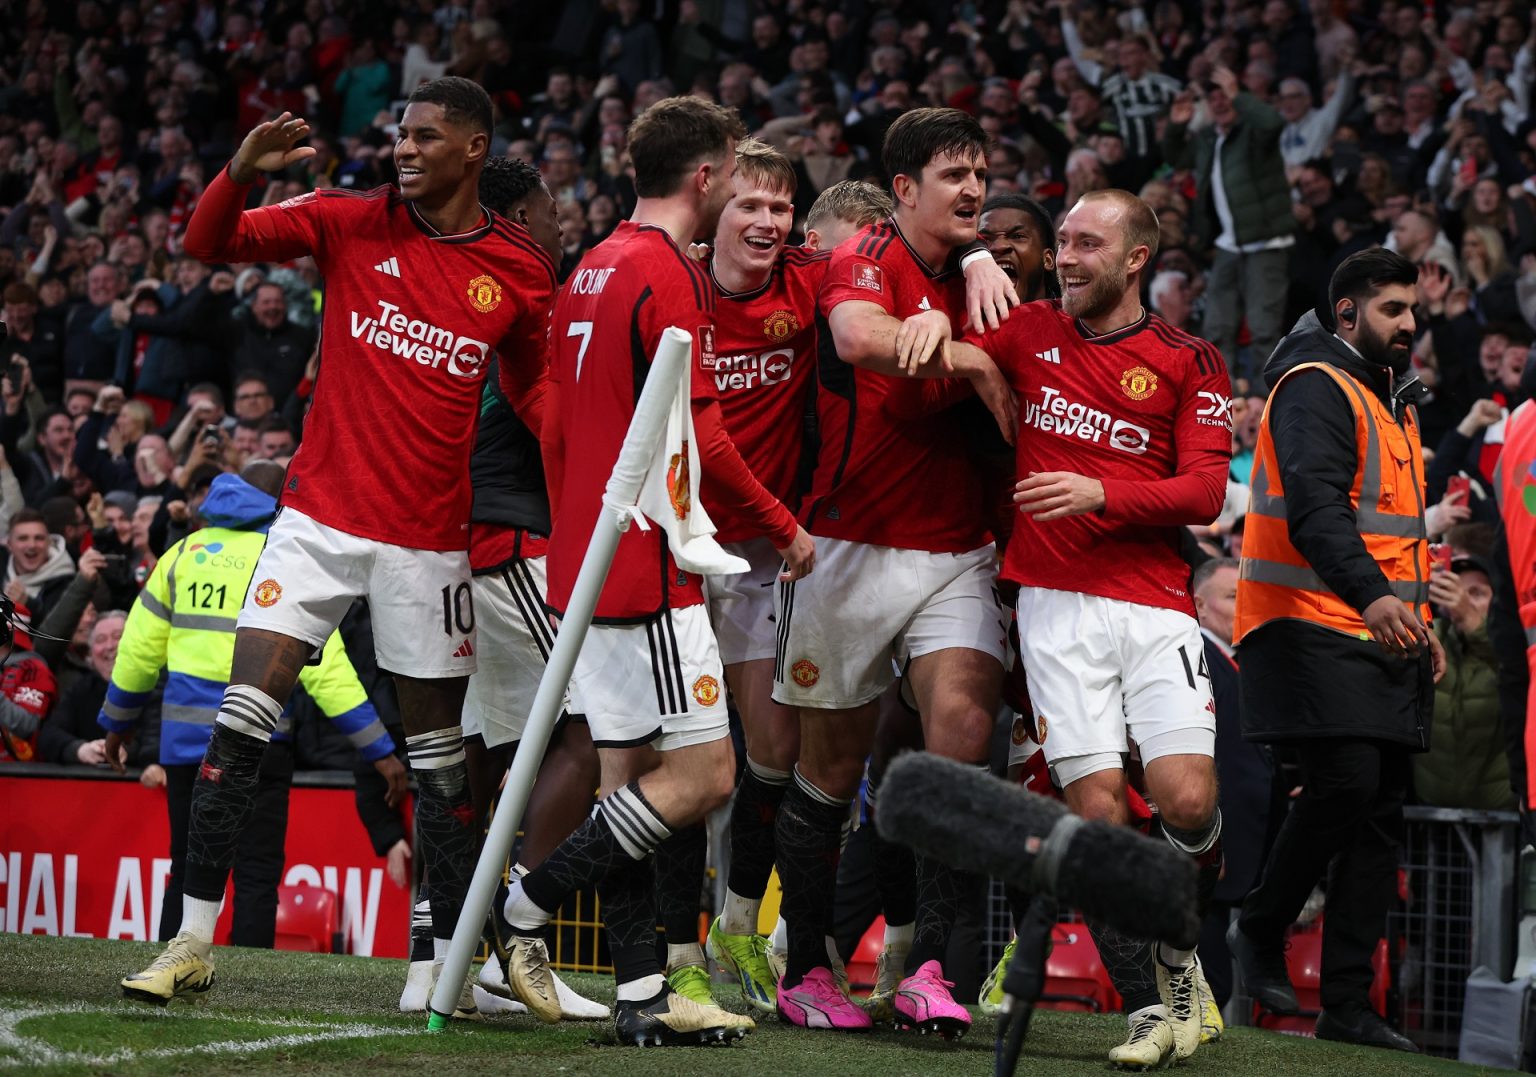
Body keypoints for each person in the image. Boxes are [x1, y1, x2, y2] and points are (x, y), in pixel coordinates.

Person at [119, 77, 558, 1010]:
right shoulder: (349, 220)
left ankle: (434, 969)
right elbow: (207, 243)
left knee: (441, 768)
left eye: (426, 136)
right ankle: (189, 942)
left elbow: (535, 388)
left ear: (474, 149)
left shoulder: (519, 269)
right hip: (316, 523)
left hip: (429, 545)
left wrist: (591, 464)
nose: (405, 148)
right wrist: (240, 172)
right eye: (401, 133)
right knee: (241, 721)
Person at [499, 95, 810, 1048]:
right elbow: (703, 435)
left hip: (586, 559)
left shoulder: (590, 265)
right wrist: (783, 526)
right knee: (707, 774)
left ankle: (641, 991)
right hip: (647, 565)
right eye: (735, 176)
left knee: (626, 780)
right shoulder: (670, 276)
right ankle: (525, 905)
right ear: (706, 176)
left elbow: (551, 415)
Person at [970, 189, 1232, 1067]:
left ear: (1135, 259)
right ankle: (1153, 1006)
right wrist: (967, 279)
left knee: (1189, 801)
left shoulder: (1189, 358)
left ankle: (1179, 952)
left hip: (1155, 603)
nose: (1067, 257)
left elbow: (1205, 491)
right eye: (1063, 242)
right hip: (1053, 607)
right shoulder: (1029, 330)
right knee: (1097, 814)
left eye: (1088, 243)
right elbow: (941, 347)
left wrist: (1100, 493)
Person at [770, 107, 1017, 1037]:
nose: (974, 188)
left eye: (981, 173)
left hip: (957, 549)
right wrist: (965, 357)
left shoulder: (985, 271)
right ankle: (806, 965)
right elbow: (859, 338)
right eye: (955, 174)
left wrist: (976, 285)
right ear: (905, 189)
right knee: (829, 771)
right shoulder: (863, 254)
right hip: (848, 543)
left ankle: (931, 968)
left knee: (963, 735)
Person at [397, 154, 607, 1024]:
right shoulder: (532, 300)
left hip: (451, 543)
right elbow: (557, 424)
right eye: (553, 211)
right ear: (520, 219)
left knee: (471, 764)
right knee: (596, 726)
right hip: (510, 540)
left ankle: (431, 958)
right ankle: (516, 930)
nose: (564, 225)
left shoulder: (453, 292)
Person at [1229, 248, 1442, 1054]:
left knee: (1378, 814)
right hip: (1309, 621)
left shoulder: (1393, 399)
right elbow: (1316, 509)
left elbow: (1398, 536)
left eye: (1412, 309)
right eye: (1392, 308)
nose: (1409, 323)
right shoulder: (1317, 385)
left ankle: (1347, 1002)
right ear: (1347, 313)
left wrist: (1419, 621)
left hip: (1378, 629)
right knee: (1348, 781)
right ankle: (1260, 924)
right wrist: (1379, 599)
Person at [103, 463, 402, 955]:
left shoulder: (182, 554)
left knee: (186, 863)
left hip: (187, 746)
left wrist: (117, 725)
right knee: (257, 873)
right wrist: (379, 750)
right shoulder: (283, 560)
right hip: (263, 741)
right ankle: (247, 975)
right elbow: (326, 671)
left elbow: (137, 651)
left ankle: (169, 962)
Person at [1162, 65, 1293, 382]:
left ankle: (1266, 398)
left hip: (1266, 242)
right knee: (1217, 325)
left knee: (1263, 327)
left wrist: (1240, 96)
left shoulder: (1254, 132)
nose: (1220, 103)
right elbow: (1176, 158)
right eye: (1213, 98)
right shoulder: (1208, 138)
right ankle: (1221, 394)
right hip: (1228, 245)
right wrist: (1176, 126)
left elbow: (1273, 123)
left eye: (1226, 96)